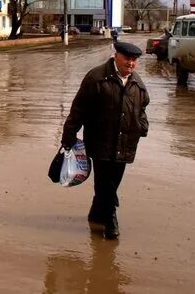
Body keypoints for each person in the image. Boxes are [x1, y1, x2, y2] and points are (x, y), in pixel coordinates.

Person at [60, 41, 149, 240]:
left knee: (112, 182)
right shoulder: (96, 77)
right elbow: (79, 109)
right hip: (100, 140)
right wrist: (69, 135)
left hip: (126, 143)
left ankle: (96, 212)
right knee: (105, 183)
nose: (131, 63)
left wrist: (142, 127)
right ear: (116, 56)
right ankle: (110, 220)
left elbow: (142, 108)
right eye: (127, 59)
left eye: (134, 60)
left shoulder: (137, 83)